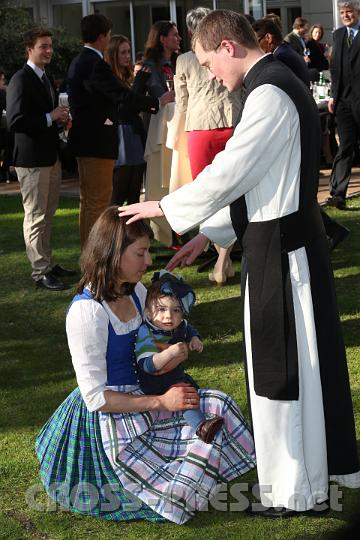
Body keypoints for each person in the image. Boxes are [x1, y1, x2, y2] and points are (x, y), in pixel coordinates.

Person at [119, 10, 360, 518]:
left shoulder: (269, 91)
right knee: (295, 371)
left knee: (283, 373)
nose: (210, 74)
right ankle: (302, 480)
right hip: (282, 244)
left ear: (228, 47)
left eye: (208, 62)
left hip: (283, 254)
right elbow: (260, 181)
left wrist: (165, 205)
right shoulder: (274, 85)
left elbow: (233, 170)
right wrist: (209, 233)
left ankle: (294, 490)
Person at [35, 206, 256, 524]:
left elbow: (155, 341)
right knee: (178, 481)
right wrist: (162, 402)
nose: (149, 261)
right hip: (114, 414)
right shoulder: (87, 313)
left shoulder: (138, 292)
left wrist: (174, 351)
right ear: (114, 254)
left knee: (217, 405)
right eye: (140, 253)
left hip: (151, 388)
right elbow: (96, 398)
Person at [67, 14, 165, 248]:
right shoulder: (94, 63)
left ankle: (88, 250)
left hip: (87, 140)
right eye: (108, 34)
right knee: (97, 201)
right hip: (96, 142)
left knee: (89, 200)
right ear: (102, 36)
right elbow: (121, 95)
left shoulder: (80, 61)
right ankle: (93, 254)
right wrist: (155, 103)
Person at [253, 17, 349, 251]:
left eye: (257, 41)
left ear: (268, 38)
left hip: (294, 126)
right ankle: (330, 231)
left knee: (298, 191)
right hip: (300, 123)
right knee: (299, 190)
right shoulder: (287, 52)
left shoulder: (281, 56)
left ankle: (329, 231)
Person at [174, 6, 241, 284]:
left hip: (200, 128)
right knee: (232, 191)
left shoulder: (184, 60)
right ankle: (224, 259)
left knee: (209, 194)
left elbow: (182, 101)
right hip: (230, 122)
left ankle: (221, 259)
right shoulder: (224, 54)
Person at [6, 27, 76, 290]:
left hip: (49, 156)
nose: (48, 50)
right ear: (29, 49)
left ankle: (47, 262)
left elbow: (46, 117)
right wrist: (50, 117)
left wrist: (60, 121)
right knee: (35, 216)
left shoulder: (45, 78)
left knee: (47, 214)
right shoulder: (20, 80)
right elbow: (14, 121)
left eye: (49, 46)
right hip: (31, 160)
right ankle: (40, 271)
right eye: (43, 46)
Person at [135, 269, 224, 443]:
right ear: (148, 312)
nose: (169, 316)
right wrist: (169, 353)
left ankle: (200, 414)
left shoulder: (179, 325)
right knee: (185, 396)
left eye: (176, 310)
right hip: (156, 384)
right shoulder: (147, 333)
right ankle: (201, 428)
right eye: (161, 309)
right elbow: (147, 365)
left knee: (191, 389)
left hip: (174, 375)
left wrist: (194, 339)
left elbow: (188, 328)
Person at [105, 34, 147, 206]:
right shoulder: (109, 78)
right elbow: (125, 107)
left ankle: (131, 232)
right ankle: (111, 231)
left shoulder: (129, 76)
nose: (127, 56)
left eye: (128, 52)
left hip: (134, 134)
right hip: (121, 134)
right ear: (114, 54)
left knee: (134, 192)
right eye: (122, 52)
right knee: (118, 193)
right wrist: (139, 84)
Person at [326, 0, 360, 209]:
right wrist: (332, 96)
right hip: (343, 103)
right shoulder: (338, 35)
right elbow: (335, 68)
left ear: (358, 12)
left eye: (349, 12)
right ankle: (338, 194)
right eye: (343, 12)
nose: (345, 15)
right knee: (345, 146)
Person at [143, 20, 180, 97]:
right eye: (175, 35)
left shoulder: (180, 61)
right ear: (163, 39)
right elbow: (159, 94)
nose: (179, 38)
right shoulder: (151, 65)